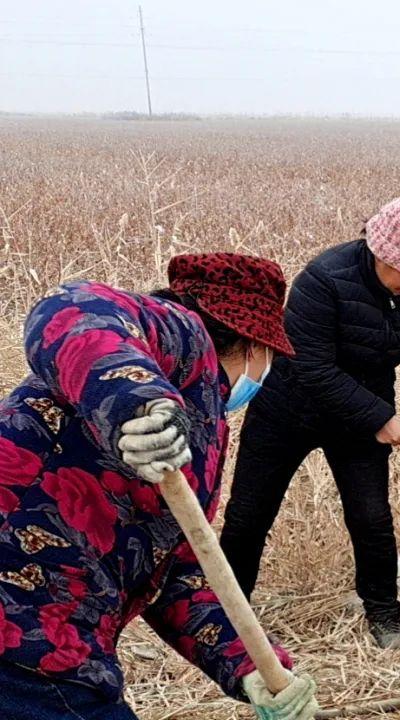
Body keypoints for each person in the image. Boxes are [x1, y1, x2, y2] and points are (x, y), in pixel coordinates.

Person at [0, 255, 318, 719]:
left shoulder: (208, 424)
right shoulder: (185, 342)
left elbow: (181, 569)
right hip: (25, 634)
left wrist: (255, 668)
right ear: (254, 345)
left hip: (60, 640)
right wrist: (136, 403)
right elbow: (70, 308)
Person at [221, 189, 400, 650]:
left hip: (360, 417)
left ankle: (385, 614)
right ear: (379, 253)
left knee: (371, 518)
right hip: (289, 409)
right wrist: (379, 416)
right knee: (249, 516)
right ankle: (227, 617)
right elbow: (311, 366)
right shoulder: (324, 279)